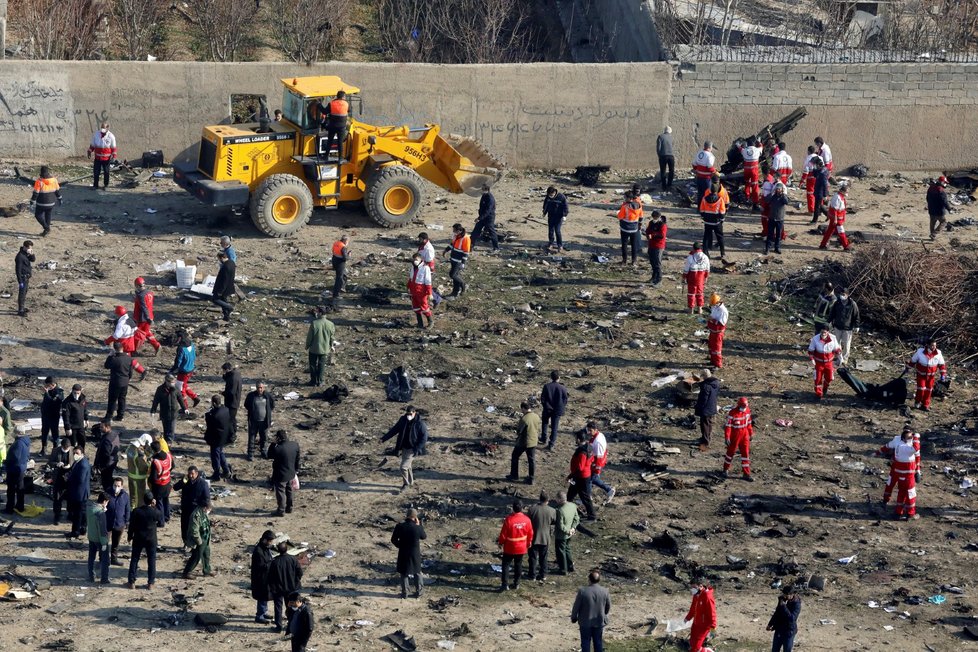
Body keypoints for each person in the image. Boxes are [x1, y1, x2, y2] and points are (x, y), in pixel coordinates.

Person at [876, 426, 921, 520]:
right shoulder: (908, 448)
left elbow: (887, 446)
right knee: (911, 494)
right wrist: (916, 437)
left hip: (899, 473)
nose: (911, 437)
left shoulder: (899, 445)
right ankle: (910, 514)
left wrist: (877, 453)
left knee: (901, 493)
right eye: (909, 436)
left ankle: (897, 513)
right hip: (908, 476)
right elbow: (916, 450)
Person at [380, 406, 428, 493]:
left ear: (414, 413)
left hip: (412, 448)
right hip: (404, 447)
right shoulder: (403, 420)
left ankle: (406, 484)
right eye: (407, 414)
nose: (408, 416)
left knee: (403, 467)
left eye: (410, 414)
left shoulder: (420, 424)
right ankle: (411, 482)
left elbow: (424, 438)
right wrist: (383, 438)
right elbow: (394, 430)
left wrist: (416, 449)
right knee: (407, 465)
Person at [126, 491, 164, 589]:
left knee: (134, 559)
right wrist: (155, 507)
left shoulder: (136, 511)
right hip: (151, 539)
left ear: (143, 500)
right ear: (152, 501)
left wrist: (129, 536)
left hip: (138, 537)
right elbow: (161, 522)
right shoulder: (155, 512)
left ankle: (131, 582)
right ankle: (150, 583)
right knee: (151, 560)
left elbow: (132, 526)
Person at [571, 569, 612, 652]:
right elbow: (608, 605)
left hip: (585, 622)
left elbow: (576, 606)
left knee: (585, 642)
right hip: (599, 620)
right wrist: (604, 613)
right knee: (598, 642)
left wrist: (574, 617)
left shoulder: (583, 591)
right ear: (599, 580)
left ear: (589, 579)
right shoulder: (605, 591)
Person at [497, 499, 533, 591]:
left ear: (513, 508)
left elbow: (503, 534)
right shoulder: (527, 520)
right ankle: (516, 583)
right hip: (521, 547)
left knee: (506, 565)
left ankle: (505, 585)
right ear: (522, 508)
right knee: (518, 565)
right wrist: (529, 543)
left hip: (510, 547)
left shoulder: (509, 520)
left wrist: (500, 543)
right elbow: (530, 533)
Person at [391, 508, 427, 598]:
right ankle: (419, 592)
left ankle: (405, 593)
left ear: (406, 516)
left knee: (404, 573)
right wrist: (419, 525)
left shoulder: (400, 526)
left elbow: (393, 540)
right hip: (415, 553)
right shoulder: (417, 527)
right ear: (415, 517)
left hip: (403, 552)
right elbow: (424, 537)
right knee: (417, 572)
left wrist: (400, 546)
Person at [103, 306, 147, 380]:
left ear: (118, 314)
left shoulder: (121, 324)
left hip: (123, 344)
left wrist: (107, 341)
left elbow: (116, 336)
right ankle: (139, 371)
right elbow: (135, 329)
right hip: (130, 343)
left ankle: (141, 371)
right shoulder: (129, 319)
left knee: (125, 360)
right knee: (127, 359)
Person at [268, 541, 303, 632]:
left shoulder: (275, 562)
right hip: (291, 588)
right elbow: (300, 572)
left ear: (278, 550)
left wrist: (272, 587)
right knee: (291, 607)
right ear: (286, 549)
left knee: (278, 608)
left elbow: (270, 577)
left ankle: (278, 627)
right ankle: (291, 625)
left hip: (278, 589)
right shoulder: (293, 559)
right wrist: (296, 581)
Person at [907, 339, 948, 411]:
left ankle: (925, 405)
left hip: (931, 376)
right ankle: (917, 402)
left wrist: (943, 374)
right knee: (921, 389)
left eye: (935, 345)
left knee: (929, 390)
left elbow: (942, 365)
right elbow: (913, 361)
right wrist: (908, 368)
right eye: (932, 345)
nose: (934, 347)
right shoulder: (920, 352)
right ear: (928, 345)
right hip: (921, 375)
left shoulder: (938, 353)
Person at [174, 465, 210, 543]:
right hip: (186, 507)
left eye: (192, 474)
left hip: (196, 510)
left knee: (194, 528)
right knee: (184, 526)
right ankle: (185, 542)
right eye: (189, 474)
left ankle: (194, 544)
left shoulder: (203, 483)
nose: (190, 476)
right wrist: (183, 481)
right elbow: (175, 487)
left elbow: (206, 498)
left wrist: (205, 508)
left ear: (197, 473)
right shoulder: (186, 481)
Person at [721, 397, 754, 481]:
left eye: (745, 407)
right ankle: (725, 469)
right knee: (730, 452)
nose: (744, 409)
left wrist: (751, 433)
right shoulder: (732, 413)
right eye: (743, 407)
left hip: (745, 434)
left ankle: (746, 473)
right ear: (739, 405)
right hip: (735, 435)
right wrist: (727, 437)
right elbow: (728, 426)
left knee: (745, 454)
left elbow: (749, 423)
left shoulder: (747, 411)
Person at [507, 401, 541, 484]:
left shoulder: (524, 419)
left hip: (524, 442)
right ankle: (531, 478)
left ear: (523, 408)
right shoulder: (536, 416)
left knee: (515, 456)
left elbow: (519, 431)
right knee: (531, 460)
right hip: (533, 441)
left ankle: (514, 476)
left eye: (521, 409)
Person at [151, 374, 189, 446]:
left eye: (174, 382)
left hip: (174, 413)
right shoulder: (160, 389)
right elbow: (156, 400)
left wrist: (185, 408)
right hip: (164, 412)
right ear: (167, 382)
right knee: (165, 428)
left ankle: (169, 442)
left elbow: (180, 398)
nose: (173, 384)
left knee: (171, 428)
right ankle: (166, 440)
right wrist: (153, 410)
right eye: (172, 382)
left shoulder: (176, 389)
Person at [269, 430, 300, 516]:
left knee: (281, 492)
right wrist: (296, 469)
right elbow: (297, 459)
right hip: (291, 473)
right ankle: (289, 508)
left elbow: (269, 455)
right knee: (290, 490)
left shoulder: (278, 448)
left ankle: (281, 510)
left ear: (278, 438)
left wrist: (272, 444)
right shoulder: (294, 445)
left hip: (280, 475)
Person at [526, 491, 556, 582]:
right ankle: (543, 575)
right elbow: (554, 521)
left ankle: (532, 575)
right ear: (548, 500)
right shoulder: (552, 510)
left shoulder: (532, 509)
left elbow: (528, 521)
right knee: (544, 557)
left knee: (532, 557)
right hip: (545, 538)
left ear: (539, 499)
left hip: (534, 537)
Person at [567, 431, 596, 521]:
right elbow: (592, 460)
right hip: (583, 476)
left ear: (579, 440)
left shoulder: (582, 452)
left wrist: (570, 476)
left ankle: (592, 516)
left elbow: (580, 467)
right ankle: (569, 508)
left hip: (581, 477)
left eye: (576, 438)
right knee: (571, 494)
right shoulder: (589, 447)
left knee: (585, 497)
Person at [808, 324, 842, 400]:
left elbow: (837, 349)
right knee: (818, 379)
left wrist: (840, 356)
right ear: (820, 331)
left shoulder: (833, 338)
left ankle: (825, 387)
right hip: (819, 363)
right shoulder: (815, 339)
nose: (823, 333)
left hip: (829, 363)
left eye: (825, 332)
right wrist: (812, 359)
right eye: (822, 332)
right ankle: (818, 394)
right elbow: (810, 351)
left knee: (830, 377)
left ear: (828, 332)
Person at [204, 395, 233, 482]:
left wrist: (208, 414)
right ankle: (226, 470)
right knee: (221, 453)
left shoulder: (214, 415)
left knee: (215, 456)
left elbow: (209, 425)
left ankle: (216, 474)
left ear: (213, 403)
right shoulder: (226, 410)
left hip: (215, 438)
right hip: (223, 437)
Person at [244, 381, 275, 460]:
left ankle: (264, 451)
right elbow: (246, 405)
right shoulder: (251, 396)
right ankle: (250, 453)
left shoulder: (268, 396)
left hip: (264, 421)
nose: (259, 389)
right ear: (256, 387)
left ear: (263, 388)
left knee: (264, 437)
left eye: (261, 387)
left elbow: (272, 405)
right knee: (252, 437)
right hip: (253, 421)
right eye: (258, 387)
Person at [828, 287, 859, 365]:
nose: (842, 296)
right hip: (837, 326)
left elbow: (856, 315)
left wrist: (857, 325)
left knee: (846, 344)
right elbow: (832, 313)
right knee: (836, 343)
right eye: (841, 294)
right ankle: (839, 357)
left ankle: (845, 359)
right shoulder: (837, 303)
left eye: (843, 294)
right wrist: (829, 322)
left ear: (847, 295)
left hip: (847, 328)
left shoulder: (852, 304)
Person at [305, 306, 335, 387]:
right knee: (321, 365)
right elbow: (332, 337)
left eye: (317, 312)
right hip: (325, 349)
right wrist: (331, 345)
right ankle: (321, 381)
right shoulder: (331, 324)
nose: (316, 314)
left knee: (312, 364)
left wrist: (307, 346)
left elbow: (309, 337)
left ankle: (313, 381)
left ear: (321, 313)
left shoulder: (314, 323)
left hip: (314, 348)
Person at [182, 500, 213, 578]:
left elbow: (205, 522)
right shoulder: (196, 515)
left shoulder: (204, 513)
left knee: (206, 554)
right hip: (199, 539)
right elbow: (194, 530)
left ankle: (207, 570)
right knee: (196, 556)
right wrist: (199, 542)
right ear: (205, 508)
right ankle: (187, 572)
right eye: (209, 509)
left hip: (206, 537)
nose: (209, 511)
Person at [65, 445, 91, 538]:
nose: (75, 455)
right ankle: (83, 528)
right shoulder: (79, 461)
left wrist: (69, 478)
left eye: (77, 453)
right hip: (81, 492)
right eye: (74, 453)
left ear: (82, 454)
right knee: (82, 512)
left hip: (79, 494)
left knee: (77, 514)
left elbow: (80, 480)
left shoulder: (83, 464)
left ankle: (75, 532)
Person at [29, 166, 63, 236]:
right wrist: (60, 199)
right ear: (48, 172)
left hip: (41, 203)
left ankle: (46, 228)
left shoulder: (39, 181)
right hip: (51, 203)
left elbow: (35, 193)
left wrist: (32, 202)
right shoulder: (54, 180)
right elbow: (57, 191)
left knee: (38, 215)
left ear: (41, 172)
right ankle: (46, 231)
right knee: (48, 214)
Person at [250, 529, 276, 623]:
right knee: (262, 596)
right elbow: (262, 566)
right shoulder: (258, 551)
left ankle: (264, 612)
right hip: (260, 578)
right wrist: (272, 563)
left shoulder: (265, 548)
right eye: (269, 541)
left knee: (265, 596)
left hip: (266, 577)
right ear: (265, 540)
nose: (271, 543)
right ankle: (259, 616)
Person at [104, 341, 133, 422]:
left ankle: (109, 417)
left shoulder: (114, 359)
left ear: (115, 349)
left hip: (115, 383)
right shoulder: (129, 358)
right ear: (122, 348)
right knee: (122, 399)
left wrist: (110, 355)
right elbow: (130, 372)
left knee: (112, 400)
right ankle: (120, 416)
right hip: (125, 382)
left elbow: (106, 365)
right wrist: (127, 379)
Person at [170, 330, 200, 407]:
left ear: (179, 338)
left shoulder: (181, 348)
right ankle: (195, 397)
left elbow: (178, 361)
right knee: (184, 384)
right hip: (191, 368)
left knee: (180, 389)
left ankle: (185, 407)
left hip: (184, 371)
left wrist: (172, 371)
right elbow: (194, 356)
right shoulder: (191, 344)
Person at [587, 421, 615, 505]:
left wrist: (597, 468)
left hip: (596, 463)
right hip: (596, 461)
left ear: (596, 430)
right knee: (591, 480)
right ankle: (588, 496)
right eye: (588, 430)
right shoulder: (599, 435)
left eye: (590, 430)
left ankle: (608, 489)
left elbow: (599, 456)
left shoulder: (598, 441)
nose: (588, 432)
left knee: (592, 479)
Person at [86, 492, 111, 584]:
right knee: (105, 559)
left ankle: (91, 576)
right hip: (100, 540)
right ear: (104, 501)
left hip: (91, 537)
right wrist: (104, 542)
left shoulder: (90, 509)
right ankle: (104, 578)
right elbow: (102, 530)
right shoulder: (100, 514)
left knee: (91, 557)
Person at [132, 277, 161, 354]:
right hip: (149, 316)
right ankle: (156, 346)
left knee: (139, 334)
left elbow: (144, 307)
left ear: (137, 286)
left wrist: (147, 318)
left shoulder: (140, 296)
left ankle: (134, 350)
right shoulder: (149, 293)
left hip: (143, 318)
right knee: (147, 332)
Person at [3, 430, 30, 514]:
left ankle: (9, 508)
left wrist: (6, 462)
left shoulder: (18, 444)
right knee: (20, 488)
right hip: (21, 468)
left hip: (14, 469)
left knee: (11, 489)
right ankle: (20, 507)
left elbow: (15, 458)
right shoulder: (26, 441)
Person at [767, 588, 802, 652]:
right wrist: (770, 624)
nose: (784, 596)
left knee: (787, 650)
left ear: (792, 595)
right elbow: (777, 613)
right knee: (775, 649)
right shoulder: (782, 600)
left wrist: (784, 606)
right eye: (784, 594)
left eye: (786, 595)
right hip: (779, 628)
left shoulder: (797, 604)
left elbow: (792, 618)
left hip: (789, 631)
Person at [541, 371, 569, 450]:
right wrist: (562, 406)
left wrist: (545, 405)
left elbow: (543, 398)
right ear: (559, 378)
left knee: (545, 423)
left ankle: (543, 438)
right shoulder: (562, 387)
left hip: (547, 408)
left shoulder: (546, 386)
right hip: (557, 410)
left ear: (551, 377)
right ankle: (551, 444)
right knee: (555, 427)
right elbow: (565, 399)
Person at [48, 437, 73, 524]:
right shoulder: (56, 451)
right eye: (65, 447)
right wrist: (57, 464)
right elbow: (50, 462)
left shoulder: (73, 451)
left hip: (69, 478)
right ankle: (57, 515)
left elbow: (76, 462)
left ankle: (70, 513)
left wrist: (70, 466)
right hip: (58, 477)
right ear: (62, 446)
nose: (66, 449)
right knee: (57, 498)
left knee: (70, 497)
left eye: (68, 448)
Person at [686, 582, 718, 652]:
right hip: (696, 623)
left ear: (700, 586)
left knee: (696, 647)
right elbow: (693, 607)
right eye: (691, 587)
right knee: (692, 643)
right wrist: (688, 617)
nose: (692, 590)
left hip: (704, 626)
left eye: (694, 588)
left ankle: (708, 651)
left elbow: (712, 613)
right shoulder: (696, 595)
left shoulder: (707, 597)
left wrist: (713, 628)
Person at [818, 183, 851, 251]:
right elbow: (834, 209)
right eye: (846, 192)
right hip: (837, 219)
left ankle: (823, 245)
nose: (847, 193)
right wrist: (835, 219)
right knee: (841, 232)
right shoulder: (837, 197)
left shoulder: (840, 196)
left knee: (829, 231)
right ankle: (846, 247)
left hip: (838, 218)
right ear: (842, 191)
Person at [554, 490, 580, 574]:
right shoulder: (573, 505)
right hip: (570, 533)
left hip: (561, 535)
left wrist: (568, 531)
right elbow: (576, 518)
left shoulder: (559, 510)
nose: (555, 500)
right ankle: (570, 566)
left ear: (560, 499)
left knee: (561, 552)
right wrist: (573, 528)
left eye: (557, 499)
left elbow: (560, 525)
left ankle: (563, 569)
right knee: (567, 549)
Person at [443, 223, 471, 298]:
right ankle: (455, 291)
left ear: (459, 230)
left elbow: (466, 251)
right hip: (453, 259)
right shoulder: (456, 236)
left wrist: (463, 263)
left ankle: (463, 285)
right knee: (455, 276)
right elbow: (452, 244)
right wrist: (446, 250)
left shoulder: (466, 238)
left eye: (454, 230)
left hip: (458, 261)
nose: (453, 232)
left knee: (452, 275)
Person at [694, 369, 720, 451]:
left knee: (704, 424)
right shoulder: (715, 383)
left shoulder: (706, 386)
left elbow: (703, 399)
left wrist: (698, 407)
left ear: (704, 377)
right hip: (712, 406)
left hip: (706, 408)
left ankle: (705, 441)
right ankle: (707, 437)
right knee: (709, 424)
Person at [106, 476, 130, 566]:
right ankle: (103, 558)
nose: (116, 487)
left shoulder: (125, 496)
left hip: (119, 524)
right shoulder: (107, 494)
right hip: (108, 523)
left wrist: (126, 522)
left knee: (115, 544)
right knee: (104, 542)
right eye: (115, 485)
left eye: (118, 486)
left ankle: (114, 559)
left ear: (122, 486)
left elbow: (127, 510)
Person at [698, 184, 726, 260]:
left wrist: (704, 218)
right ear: (717, 191)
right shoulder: (720, 199)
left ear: (710, 190)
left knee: (706, 237)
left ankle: (705, 252)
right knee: (720, 237)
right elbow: (722, 212)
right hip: (716, 222)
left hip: (707, 222)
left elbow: (701, 210)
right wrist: (721, 220)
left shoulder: (704, 198)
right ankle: (722, 253)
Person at [148, 441, 173, 524]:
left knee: (159, 503)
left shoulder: (156, 462)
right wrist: (166, 472)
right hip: (168, 482)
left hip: (159, 486)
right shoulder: (168, 455)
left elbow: (154, 477)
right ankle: (167, 517)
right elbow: (173, 466)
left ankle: (161, 521)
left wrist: (150, 481)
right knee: (166, 500)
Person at [682, 243, 711, 314]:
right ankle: (700, 309)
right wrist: (706, 277)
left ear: (693, 248)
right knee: (700, 293)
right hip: (701, 279)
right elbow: (707, 269)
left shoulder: (690, 257)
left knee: (691, 294)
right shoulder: (705, 257)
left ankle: (691, 309)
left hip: (692, 278)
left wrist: (684, 277)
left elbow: (686, 269)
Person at [92, 418, 119, 494]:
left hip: (107, 464)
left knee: (106, 481)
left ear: (107, 427)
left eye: (102, 427)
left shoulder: (107, 439)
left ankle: (108, 495)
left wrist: (101, 467)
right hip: (113, 460)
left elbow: (105, 455)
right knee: (109, 478)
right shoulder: (114, 434)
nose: (100, 429)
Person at [125, 434, 152, 510]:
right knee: (139, 497)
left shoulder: (131, 448)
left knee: (133, 496)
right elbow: (143, 467)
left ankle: (131, 509)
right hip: (139, 479)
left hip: (131, 475)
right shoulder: (140, 454)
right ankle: (137, 511)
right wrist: (149, 463)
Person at [408, 253, 434, 329]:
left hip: (421, 291)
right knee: (415, 307)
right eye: (414, 259)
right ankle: (420, 323)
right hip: (413, 290)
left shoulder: (425, 268)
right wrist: (408, 287)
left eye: (416, 260)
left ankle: (430, 322)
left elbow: (428, 281)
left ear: (421, 260)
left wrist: (429, 293)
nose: (414, 261)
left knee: (424, 307)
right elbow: (411, 278)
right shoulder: (413, 267)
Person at [617, 190, 643, 265]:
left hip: (625, 228)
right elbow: (641, 216)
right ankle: (634, 261)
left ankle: (624, 261)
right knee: (634, 245)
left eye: (625, 197)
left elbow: (620, 217)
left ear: (629, 198)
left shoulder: (625, 206)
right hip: (634, 228)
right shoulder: (639, 205)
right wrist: (639, 224)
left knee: (624, 245)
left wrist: (618, 213)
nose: (624, 199)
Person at [88, 121, 116, 189]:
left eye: (104, 127)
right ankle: (95, 185)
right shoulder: (96, 134)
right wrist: (89, 151)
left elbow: (113, 147)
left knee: (106, 172)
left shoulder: (111, 136)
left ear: (107, 128)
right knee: (96, 172)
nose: (102, 129)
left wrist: (114, 156)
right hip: (97, 158)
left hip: (106, 159)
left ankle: (106, 185)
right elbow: (93, 145)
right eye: (102, 127)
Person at [40, 376, 64, 455]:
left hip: (53, 416)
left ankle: (55, 449)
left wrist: (46, 393)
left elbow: (52, 402)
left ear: (52, 384)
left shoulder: (59, 392)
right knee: (44, 432)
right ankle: (44, 448)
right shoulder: (48, 390)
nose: (46, 387)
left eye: (47, 385)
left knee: (55, 433)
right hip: (45, 415)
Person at [322, 90, 349, 159]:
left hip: (332, 126)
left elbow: (325, 111)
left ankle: (326, 156)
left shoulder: (331, 103)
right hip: (342, 127)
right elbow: (349, 111)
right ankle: (340, 158)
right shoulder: (346, 104)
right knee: (340, 142)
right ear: (343, 97)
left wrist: (319, 105)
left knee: (330, 141)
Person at [472, 184, 499, 251]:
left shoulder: (490, 198)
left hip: (489, 218)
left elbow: (488, 211)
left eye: (482, 189)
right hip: (482, 217)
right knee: (476, 231)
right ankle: (471, 245)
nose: (481, 191)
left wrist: (479, 218)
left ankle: (496, 247)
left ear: (486, 190)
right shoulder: (484, 196)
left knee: (491, 232)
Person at [644, 210, 667, 286]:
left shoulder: (662, 225)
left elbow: (662, 235)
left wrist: (653, 235)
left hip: (659, 246)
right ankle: (654, 277)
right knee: (652, 262)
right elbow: (648, 230)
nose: (655, 218)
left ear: (659, 217)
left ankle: (659, 279)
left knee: (657, 263)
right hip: (651, 245)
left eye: (656, 217)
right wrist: (647, 234)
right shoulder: (651, 223)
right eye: (653, 217)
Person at [765, 182, 789, 255]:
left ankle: (777, 248)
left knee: (778, 235)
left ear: (782, 189)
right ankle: (767, 248)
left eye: (779, 189)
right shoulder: (773, 196)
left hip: (780, 219)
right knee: (770, 234)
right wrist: (771, 193)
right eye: (777, 188)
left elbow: (786, 202)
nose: (778, 190)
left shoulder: (783, 197)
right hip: (772, 218)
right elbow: (767, 200)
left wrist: (783, 194)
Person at [543, 186, 569, 252]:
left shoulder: (561, 197)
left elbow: (565, 207)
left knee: (557, 231)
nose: (550, 196)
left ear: (554, 192)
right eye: (549, 195)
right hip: (551, 216)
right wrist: (544, 212)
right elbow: (545, 204)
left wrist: (564, 215)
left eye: (551, 195)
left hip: (559, 217)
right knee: (551, 231)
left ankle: (560, 245)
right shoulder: (548, 196)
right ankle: (550, 243)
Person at [212, 250, 236, 321]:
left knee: (215, 299)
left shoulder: (226, 266)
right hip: (229, 286)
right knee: (224, 301)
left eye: (219, 259)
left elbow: (224, 281)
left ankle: (229, 307)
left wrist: (220, 291)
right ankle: (226, 316)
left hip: (223, 288)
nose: (219, 261)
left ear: (222, 258)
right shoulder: (232, 262)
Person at [220, 362, 242, 436]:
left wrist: (223, 393)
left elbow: (231, 392)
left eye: (224, 370)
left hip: (232, 402)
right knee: (232, 418)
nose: (223, 372)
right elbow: (227, 379)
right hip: (234, 401)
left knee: (230, 419)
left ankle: (232, 436)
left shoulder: (233, 377)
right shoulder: (235, 374)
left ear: (227, 369)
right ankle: (232, 433)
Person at [707, 294, 728, 369]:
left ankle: (718, 364)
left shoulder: (723, 311)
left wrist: (711, 320)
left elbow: (721, 324)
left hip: (718, 333)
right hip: (712, 331)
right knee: (711, 346)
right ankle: (712, 360)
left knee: (717, 349)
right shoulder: (715, 307)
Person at [15, 240, 35, 317]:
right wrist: (20, 282)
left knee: (24, 293)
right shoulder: (20, 257)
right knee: (22, 294)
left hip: (26, 277)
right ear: (24, 247)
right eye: (29, 248)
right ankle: (20, 310)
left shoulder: (26, 254)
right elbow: (18, 270)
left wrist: (31, 254)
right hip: (23, 278)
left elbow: (33, 260)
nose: (30, 249)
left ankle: (22, 307)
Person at [740, 138, 762, 206]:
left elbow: (740, 149)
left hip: (747, 170)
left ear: (747, 144)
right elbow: (761, 146)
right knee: (755, 185)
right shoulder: (757, 150)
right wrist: (759, 141)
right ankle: (755, 202)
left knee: (747, 184)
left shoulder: (745, 150)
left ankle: (747, 197)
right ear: (754, 144)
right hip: (754, 171)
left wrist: (738, 145)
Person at [330, 235, 349, 308]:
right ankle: (336, 295)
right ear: (345, 241)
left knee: (344, 274)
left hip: (334, 260)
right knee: (339, 278)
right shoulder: (343, 247)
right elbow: (345, 258)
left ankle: (342, 287)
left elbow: (333, 251)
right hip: (340, 263)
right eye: (347, 242)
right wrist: (349, 255)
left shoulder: (336, 243)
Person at [811, 157, 829, 223]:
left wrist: (825, 195)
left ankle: (814, 221)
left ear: (818, 164)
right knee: (819, 205)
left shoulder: (822, 173)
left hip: (820, 191)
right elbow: (815, 175)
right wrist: (814, 169)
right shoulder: (822, 169)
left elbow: (825, 184)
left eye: (814, 165)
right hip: (818, 190)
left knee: (816, 207)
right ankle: (828, 214)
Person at [800, 146, 818, 213]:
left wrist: (802, 180)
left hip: (811, 178)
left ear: (808, 151)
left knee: (810, 193)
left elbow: (806, 171)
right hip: (819, 177)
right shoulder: (819, 157)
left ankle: (811, 210)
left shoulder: (808, 158)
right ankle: (819, 210)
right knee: (818, 193)